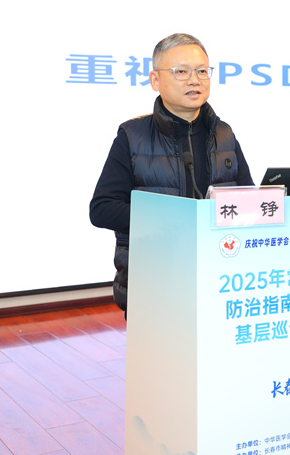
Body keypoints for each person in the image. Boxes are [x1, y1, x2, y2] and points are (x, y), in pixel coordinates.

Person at [89, 33, 253, 313]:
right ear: (155, 80)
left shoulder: (224, 134)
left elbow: (248, 201)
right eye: (181, 72)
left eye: (202, 71)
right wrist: (171, 219)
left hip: (219, 277)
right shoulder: (132, 136)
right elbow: (102, 209)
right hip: (154, 281)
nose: (194, 80)